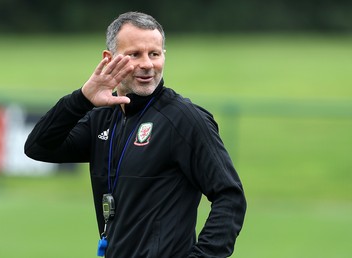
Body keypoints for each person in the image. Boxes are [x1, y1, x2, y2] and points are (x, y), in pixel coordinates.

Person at [25, 11, 246, 258]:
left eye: (154, 54)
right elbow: (38, 147)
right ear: (109, 59)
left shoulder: (184, 119)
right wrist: (82, 99)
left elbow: (230, 196)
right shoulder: (102, 117)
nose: (147, 64)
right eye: (134, 55)